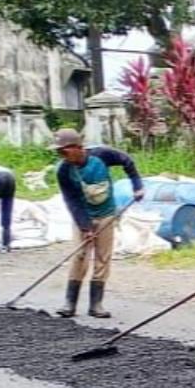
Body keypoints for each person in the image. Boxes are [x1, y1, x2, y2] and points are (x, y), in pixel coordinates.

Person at [53, 128, 144, 318]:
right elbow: (72, 201)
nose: (61, 155)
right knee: (80, 256)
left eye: (64, 151)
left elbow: (127, 161)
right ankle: (70, 303)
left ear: (78, 147)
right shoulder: (63, 171)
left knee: (102, 258)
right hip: (83, 215)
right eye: (58, 152)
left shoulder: (101, 155)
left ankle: (96, 305)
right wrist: (85, 226)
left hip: (106, 214)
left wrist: (137, 186)